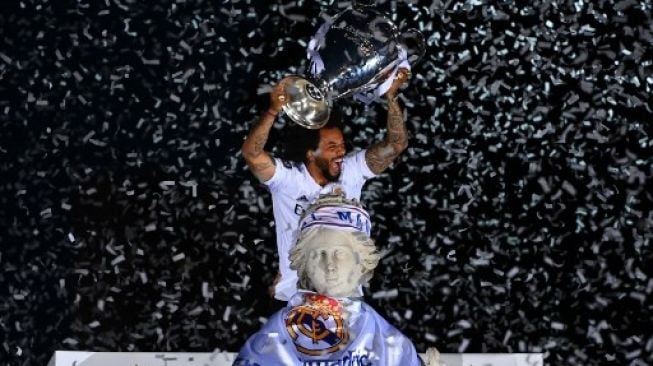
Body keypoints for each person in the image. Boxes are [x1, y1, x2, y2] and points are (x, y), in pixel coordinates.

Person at [241, 69, 411, 301]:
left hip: (346, 296)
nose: (341, 151)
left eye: (342, 145)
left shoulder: (351, 171)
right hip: (298, 297)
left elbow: (396, 144)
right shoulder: (288, 179)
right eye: (332, 147)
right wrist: (273, 110)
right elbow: (252, 154)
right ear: (311, 153)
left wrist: (390, 96)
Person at [233, 194, 437, 366]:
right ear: (305, 266)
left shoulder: (385, 338)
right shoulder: (278, 333)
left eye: (340, 253)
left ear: (361, 263)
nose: (329, 264)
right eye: (318, 254)